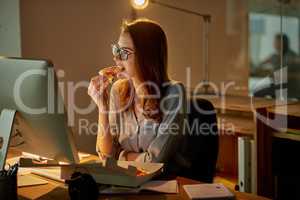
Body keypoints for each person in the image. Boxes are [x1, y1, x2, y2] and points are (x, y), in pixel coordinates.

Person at [88, 19, 186, 173]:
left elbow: (153, 163)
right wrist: (102, 107)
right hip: (127, 182)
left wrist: (120, 155)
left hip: (164, 186)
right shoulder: (117, 90)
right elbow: (106, 156)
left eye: (125, 52)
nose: (117, 59)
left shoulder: (174, 93)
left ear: (147, 57)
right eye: (116, 50)